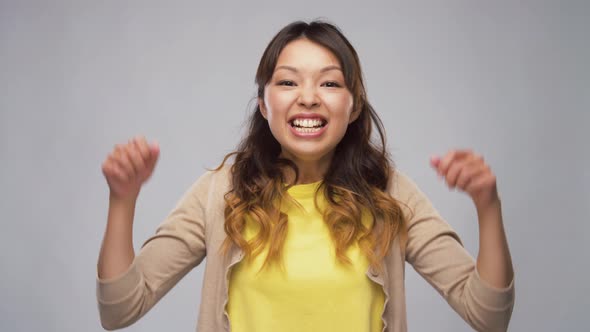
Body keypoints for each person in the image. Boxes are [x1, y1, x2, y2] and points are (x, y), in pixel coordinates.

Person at [96, 21, 515, 332]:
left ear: (353, 107)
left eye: (330, 83)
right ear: (264, 104)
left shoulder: (390, 194)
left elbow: (487, 314)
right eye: (288, 82)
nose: (309, 98)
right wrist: (122, 200)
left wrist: (488, 206)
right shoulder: (219, 192)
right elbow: (120, 309)